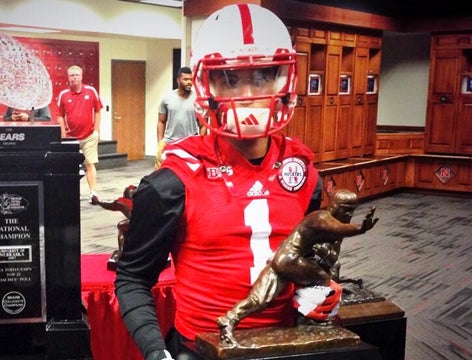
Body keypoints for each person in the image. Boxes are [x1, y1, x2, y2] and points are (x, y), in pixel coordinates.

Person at [114, 4, 335, 360]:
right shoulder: (174, 179)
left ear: (284, 79)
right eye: (230, 78)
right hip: (202, 349)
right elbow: (132, 278)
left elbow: (309, 257)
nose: (247, 92)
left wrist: (319, 287)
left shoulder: (302, 169)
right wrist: (157, 352)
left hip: (285, 347)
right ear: (206, 84)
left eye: (262, 75)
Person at [217, 189, 379, 346]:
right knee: (323, 278)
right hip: (290, 259)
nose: (349, 215)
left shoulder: (337, 230)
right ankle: (307, 318)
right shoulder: (321, 217)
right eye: (346, 210)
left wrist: (324, 252)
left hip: (281, 260)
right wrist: (361, 228)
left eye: (352, 211)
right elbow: (337, 229)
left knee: (259, 300)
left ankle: (229, 320)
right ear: (335, 206)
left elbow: (332, 258)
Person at [56, 65, 103, 203]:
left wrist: (96, 130)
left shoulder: (91, 91)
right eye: (72, 75)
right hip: (71, 137)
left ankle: (93, 192)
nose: (74, 77)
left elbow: (98, 110)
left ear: (81, 76)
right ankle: (68, 194)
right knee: (69, 166)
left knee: (90, 164)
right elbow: (60, 116)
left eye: (77, 75)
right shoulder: (63, 95)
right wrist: (63, 134)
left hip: (89, 135)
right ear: (68, 78)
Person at [155, 66, 200, 169]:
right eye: (186, 79)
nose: (189, 82)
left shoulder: (197, 99)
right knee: (161, 173)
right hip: (169, 142)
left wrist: (199, 143)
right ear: (178, 80)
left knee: (187, 174)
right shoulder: (167, 98)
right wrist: (160, 142)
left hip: (190, 144)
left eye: (191, 79)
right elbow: (161, 121)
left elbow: (203, 125)